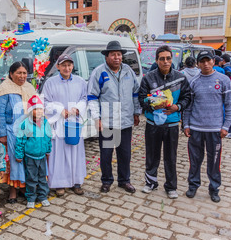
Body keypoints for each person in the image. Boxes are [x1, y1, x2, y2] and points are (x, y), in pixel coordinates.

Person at [87, 41, 142, 194]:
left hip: (125, 120)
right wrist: (97, 118)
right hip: (107, 122)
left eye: (119, 54)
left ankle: (124, 181)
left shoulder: (128, 71)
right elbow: (92, 97)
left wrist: (136, 112)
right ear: (107, 57)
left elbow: (135, 93)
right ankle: (106, 181)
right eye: (113, 55)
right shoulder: (99, 72)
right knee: (106, 154)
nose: (116, 57)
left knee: (125, 153)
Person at [139, 45, 191, 199]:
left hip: (172, 124)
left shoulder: (180, 77)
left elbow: (187, 97)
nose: (165, 61)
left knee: (170, 156)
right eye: (162, 59)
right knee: (152, 155)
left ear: (171, 59)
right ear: (157, 60)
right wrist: (153, 103)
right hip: (153, 124)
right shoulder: (148, 78)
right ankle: (150, 183)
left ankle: (170, 186)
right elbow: (141, 99)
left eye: (168, 58)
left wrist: (177, 107)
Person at [183, 51, 231, 203]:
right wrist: (186, 124)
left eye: (208, 61)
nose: (205, 64)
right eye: (202, 61)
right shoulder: (194, 82)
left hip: (215, 130)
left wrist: (226, 126)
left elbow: (229, 105)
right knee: (194, 160)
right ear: (198, 64)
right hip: (196, 129)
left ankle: (214, 188)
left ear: (213, 61)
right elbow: (188, 106)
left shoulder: (223, 80)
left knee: (214, 161)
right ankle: (193, 185)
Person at [42, 54, 87, 197]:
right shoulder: (50, 83)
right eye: (64, 65)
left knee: (75, 151)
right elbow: (45, 102)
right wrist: (59, 110)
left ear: (72, 66)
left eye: (69, 65)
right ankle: (59, 183)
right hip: (59, 123)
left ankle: (76, 182)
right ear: (58, 67)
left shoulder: (80, 82)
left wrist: (78, 108)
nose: (67, 68)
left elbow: (85, 98)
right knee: (59, 153)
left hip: (74, 123)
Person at [0, 61, 37, 203]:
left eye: (24, 73)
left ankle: (24, 187)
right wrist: (2, 135)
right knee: (14, 162)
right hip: (11, 132)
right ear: (11, 74)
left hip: (28, 131)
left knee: (26, 160)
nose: (22, 76)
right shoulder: (4, 89)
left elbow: (36, 108)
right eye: (19, 73)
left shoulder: (29, 88)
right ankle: (12, 191)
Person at [15, 95, 52, 209]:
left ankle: (42, 196)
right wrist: (19, 154)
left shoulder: (45, 122)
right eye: (36, 109)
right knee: (31, 178)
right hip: (30, 156)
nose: (39, 111)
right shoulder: (25, 124)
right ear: (31, 111)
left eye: (41, 109)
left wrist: (48, 150)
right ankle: (31, 197)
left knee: (42, 177)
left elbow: (48, 137)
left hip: (41, 156)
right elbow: (20, 140)